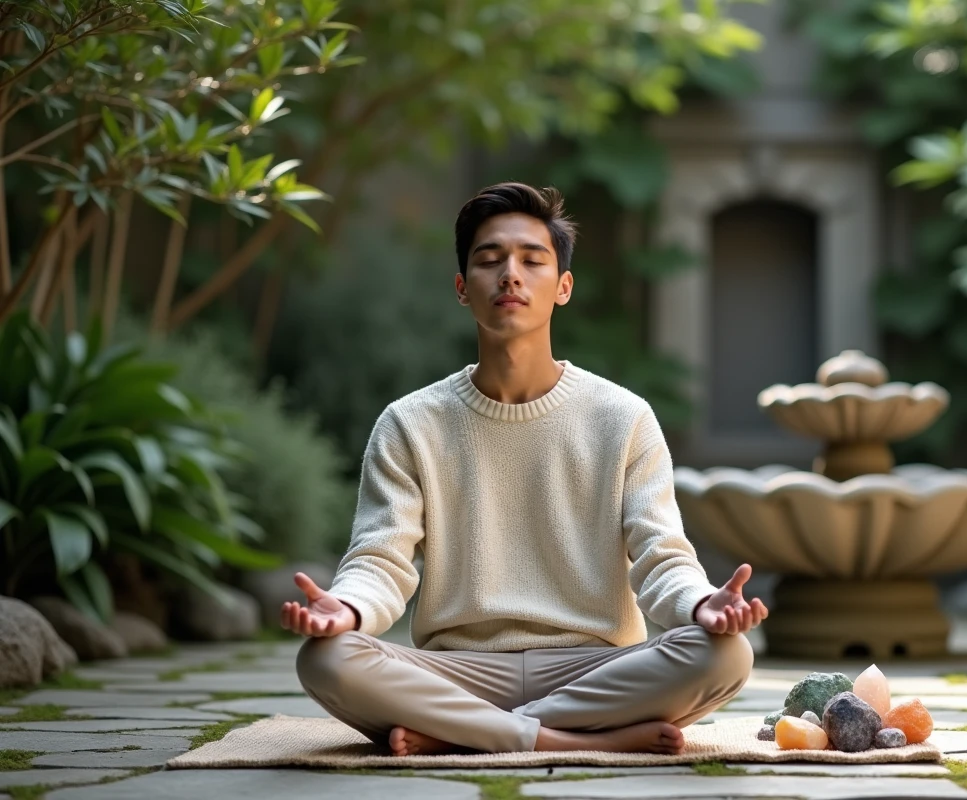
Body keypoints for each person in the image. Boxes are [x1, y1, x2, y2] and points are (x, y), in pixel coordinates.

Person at [285, 182, 769, 757]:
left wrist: (701, 603)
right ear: (464, 289)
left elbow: (661, 555)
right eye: (489, 260)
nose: (510, 274)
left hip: (593, 667)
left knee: (727, 653)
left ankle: (458, 734)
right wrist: (347, 607)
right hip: (458, 671)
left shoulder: (623, 417)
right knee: (327, 657)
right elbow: (380, 559)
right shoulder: (409, 423)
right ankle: (563, 739)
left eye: (531, 260)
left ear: (562, 286)